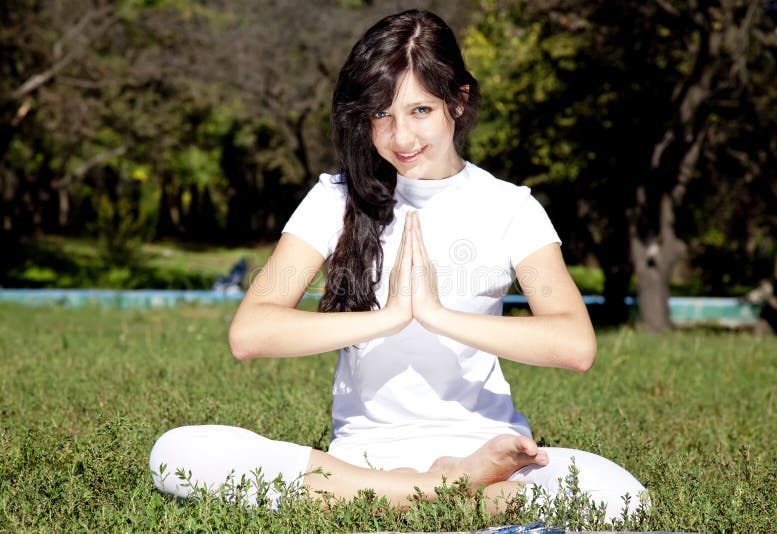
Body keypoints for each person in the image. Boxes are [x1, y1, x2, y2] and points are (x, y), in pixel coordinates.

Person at [149, 8, 646, 521]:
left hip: (484, 446)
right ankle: (448, 492)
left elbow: (575, 345)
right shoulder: (334, 200)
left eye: (420, 111)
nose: (400, 137)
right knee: (178, 454)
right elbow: (250, 333)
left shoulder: (509, 208)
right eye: (381, 114)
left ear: (458, 100)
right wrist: (390, 316)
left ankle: (395, 499)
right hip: (364, 458)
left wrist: (437, 315)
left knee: (620, 495)